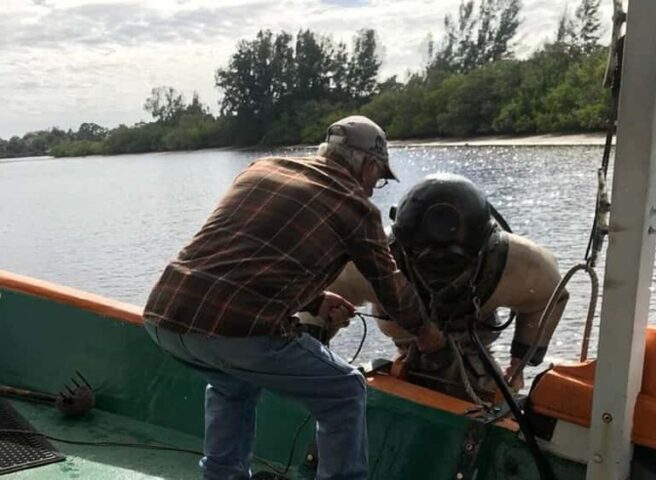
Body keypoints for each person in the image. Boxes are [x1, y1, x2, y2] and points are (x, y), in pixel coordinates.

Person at [142, 115, 446, 480]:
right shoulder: (357, 208)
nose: (372, 189)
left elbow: (244, 259)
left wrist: (315, 301)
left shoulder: (262, 168)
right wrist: (427, 335)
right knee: (345, 391)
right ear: (367, 165)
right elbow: (390, 285)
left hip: (163, 316)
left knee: (232, 384)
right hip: (236, 332)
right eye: (378, 179)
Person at [313, 173, 569, 399]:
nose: (439, 269)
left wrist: (518, 365)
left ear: (485, 245)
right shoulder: (367, 259)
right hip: (406, 347)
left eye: (454, 263)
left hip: (476, 352)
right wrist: (314, 351)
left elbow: (550, 297)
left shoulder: (523, 264)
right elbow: (317, 299)